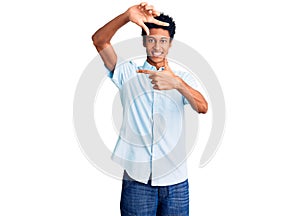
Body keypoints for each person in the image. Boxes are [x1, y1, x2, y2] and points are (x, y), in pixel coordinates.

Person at [92, 2, 208, 215]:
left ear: (170, 44)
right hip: (137, 182)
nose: (157, 46)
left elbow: (202, 107)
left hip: (176, 184)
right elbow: (99, 40)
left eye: (163, 41)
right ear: (144, 42)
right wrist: (127, 16)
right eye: (151, 39)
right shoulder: (127, 73)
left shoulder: (182, 79)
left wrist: (177, 84)